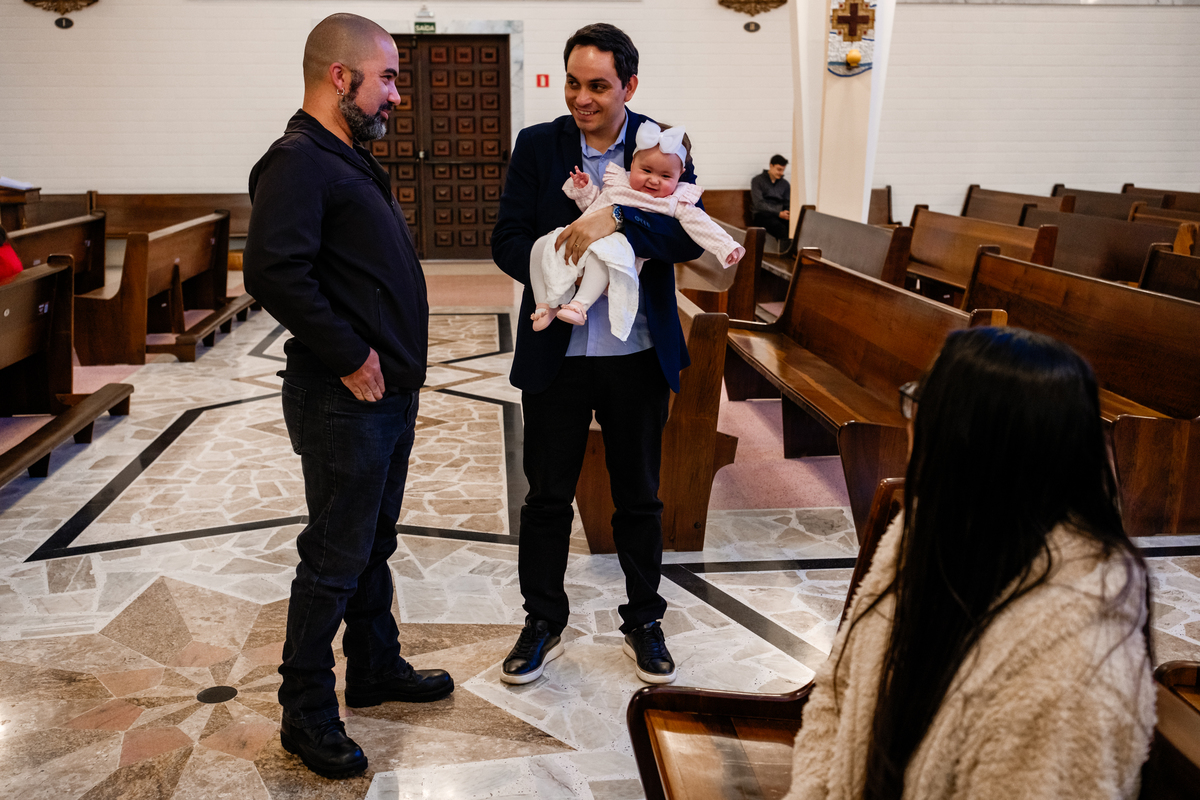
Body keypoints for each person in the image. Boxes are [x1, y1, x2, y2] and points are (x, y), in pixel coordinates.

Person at [784, 327, 1155, 800]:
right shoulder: (932, 530)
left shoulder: (1069, 677)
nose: (908, 421)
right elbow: (837, 693)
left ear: (967, 446)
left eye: (919, 403)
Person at [243, 13, 453, 780]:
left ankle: (373, 664)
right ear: (341, 76)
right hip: (344, 400)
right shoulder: (298, 160)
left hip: (386, 394)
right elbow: (272, 271)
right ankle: (304, 710)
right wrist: (350, 353)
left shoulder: (346, 155)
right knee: (333, 557)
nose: (397, 93)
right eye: (387, 77)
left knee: (372, 542)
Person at [491, 23, 706, 686]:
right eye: (573, 83)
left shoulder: (662, 144)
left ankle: (644, 620)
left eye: (598, 86)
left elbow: (685, 238)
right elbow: (506, 240)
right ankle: (542, 620)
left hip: (635, 352)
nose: (582, 98)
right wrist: (561, 256)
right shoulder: (539, 145)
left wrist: (616, 219)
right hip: (557, 349)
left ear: (629, 86)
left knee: (639, 496)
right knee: (547, 497)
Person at [529, 121, 745, 340]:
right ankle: (545, 305)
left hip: (615, 252)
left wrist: (725, 246)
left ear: (680, 174)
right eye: (646, 170)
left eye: (665, 176)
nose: (653, 180)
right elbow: (595, 206)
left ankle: (578, 306)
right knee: (541, 246)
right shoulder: (618, 183)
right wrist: (584, 191)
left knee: (600, 257)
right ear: (633, 163)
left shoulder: (675, 201)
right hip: (579, 238)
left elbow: (701, 225)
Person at [750, 154, 791, 250]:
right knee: (780, 228)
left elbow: (787, 202)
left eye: (783, 170)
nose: (781, 173)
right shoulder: (757, 180)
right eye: (779, 169)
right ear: (771, 165)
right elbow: (758, 204)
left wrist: (787, 213)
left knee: (794, 226)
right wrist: (778, 213)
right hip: (762, 214)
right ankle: (784, 255)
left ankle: (793, 254)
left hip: (780, 215)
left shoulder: (785, 184)